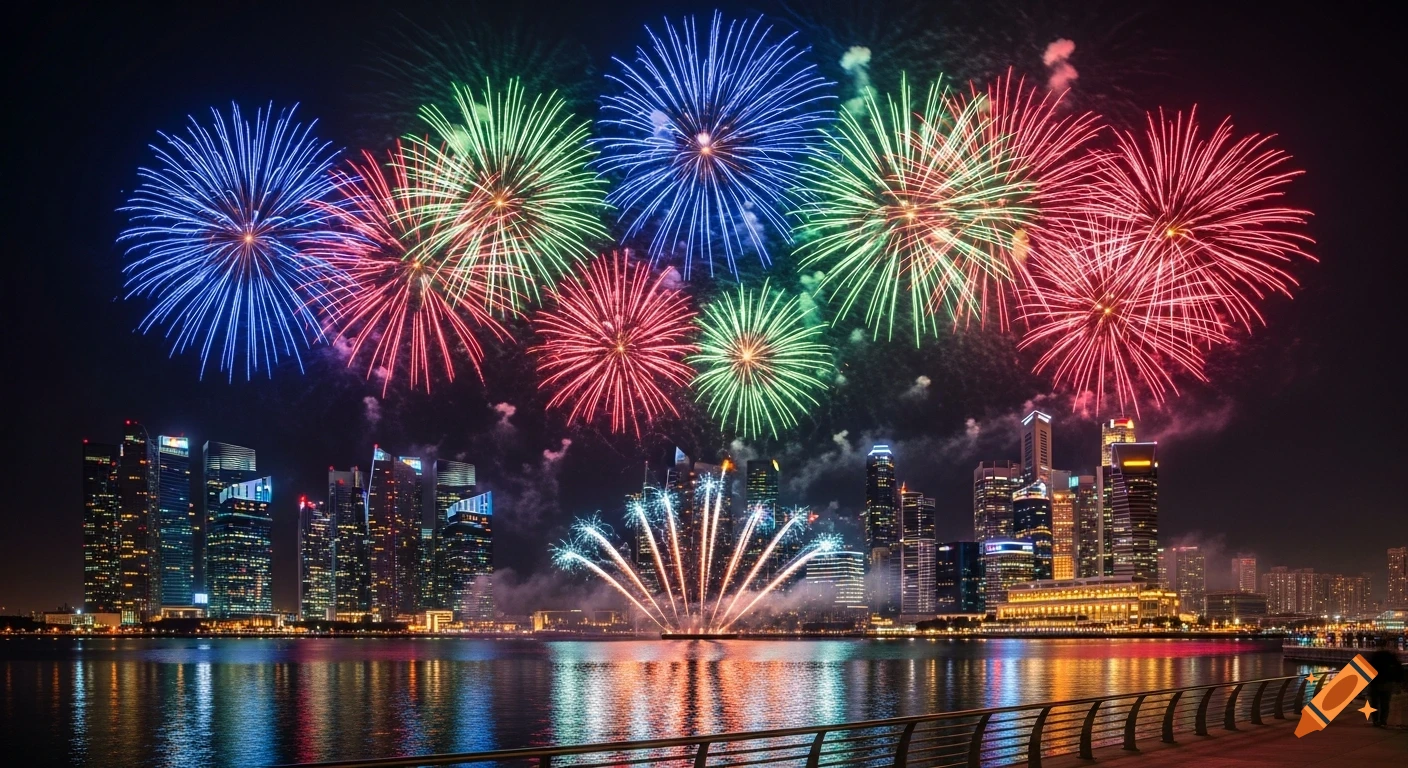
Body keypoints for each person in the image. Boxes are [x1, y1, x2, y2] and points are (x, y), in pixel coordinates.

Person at [1366, 638, 1404, 727]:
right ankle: (1383, 721)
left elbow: (1368, 668)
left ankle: (1376, 720)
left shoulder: (1374, 657)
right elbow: (1399, 669)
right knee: (1385, 703)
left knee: (1375, 703)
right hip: (1387, 682)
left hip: (1375, 682)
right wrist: (1398, 681)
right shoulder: (1392, 657)